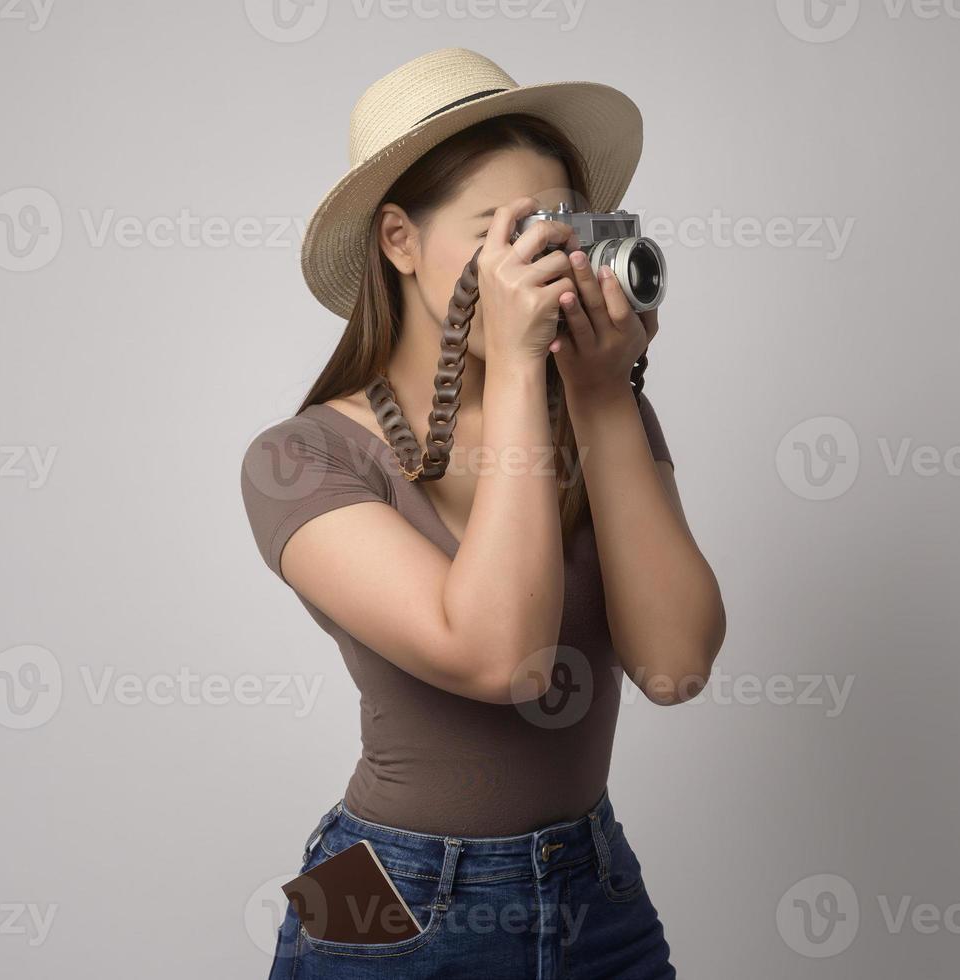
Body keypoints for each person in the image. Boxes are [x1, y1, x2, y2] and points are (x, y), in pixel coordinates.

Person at [240, 47, 726, 979]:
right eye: (501, 232)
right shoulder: (298, 458)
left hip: (592, 882)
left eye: (555, 228)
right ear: (398, 241)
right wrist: (512, 374)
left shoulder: (596, 411)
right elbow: (501, 657)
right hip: (381, 889)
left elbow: (674, 667)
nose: (536, 259)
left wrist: (600, 395)